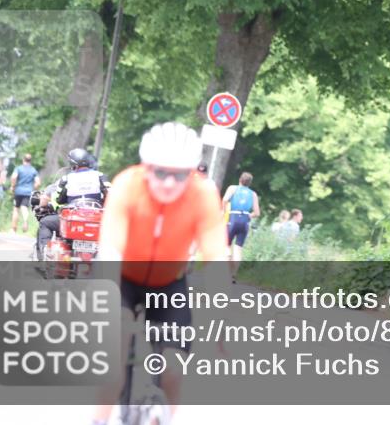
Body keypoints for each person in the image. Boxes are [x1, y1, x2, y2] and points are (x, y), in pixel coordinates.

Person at [91, 122, 230, 425]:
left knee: (173, 372)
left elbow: (216, 258)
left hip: (168, 284)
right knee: (115, 358)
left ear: (192, 172)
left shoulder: (203, 194)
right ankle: (99, 419)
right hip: (124, 279)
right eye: (160, 172)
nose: (169, 183)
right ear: (145, 166)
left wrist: (220, 318)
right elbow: (111, 252)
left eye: (180, 174)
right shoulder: (127, 184)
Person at [36, 148, 109, 260]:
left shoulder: (66, 178)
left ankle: (45, 252)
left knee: (45, 222)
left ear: (73, 164)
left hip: (73, 219)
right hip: (96, 219)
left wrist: (44, 206)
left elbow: (58, 199)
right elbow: (111, 194)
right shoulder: (100, 176)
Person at [221, 172, 261, 283]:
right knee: (238, 248)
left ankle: (226, 272)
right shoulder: (253, 194)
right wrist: (248, 215)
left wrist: (224, 212)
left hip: (232, 218)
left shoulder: (233, 188)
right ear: (249, 183)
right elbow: (257, 213)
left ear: (240, 179)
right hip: (244, 221)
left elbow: (225, 200)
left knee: (227, 245)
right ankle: (233, 274)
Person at [9, 154, 41, 233]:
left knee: (16, 209)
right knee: (24, 207)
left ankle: (13, 229)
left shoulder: (19, 168)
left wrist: (13, 186)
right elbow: (38, 182)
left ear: (23, 160)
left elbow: (13, 177)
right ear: (30, 161)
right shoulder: (33, 170)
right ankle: (25, 221)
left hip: (18, 191)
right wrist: (33, 189)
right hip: (28, 192)